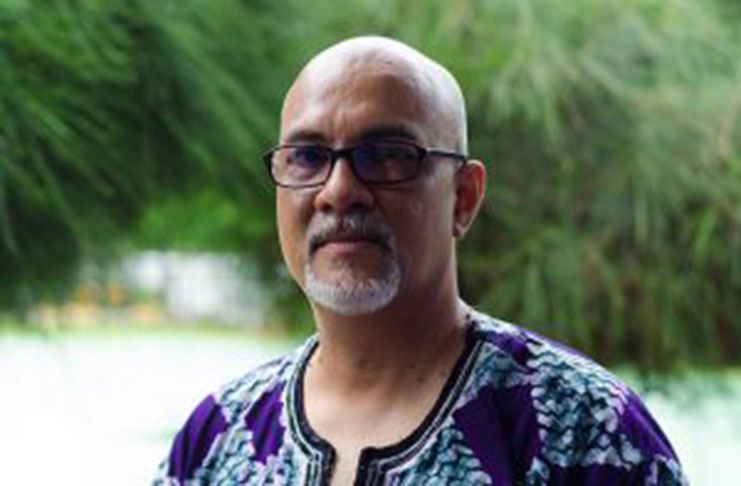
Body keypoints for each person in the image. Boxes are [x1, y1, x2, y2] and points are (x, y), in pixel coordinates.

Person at [154, 36, 687, 485]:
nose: (339, 191)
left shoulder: (585, 431)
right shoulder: (218, 439)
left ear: (463, 197)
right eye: (308, 157)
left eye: (387, 155)